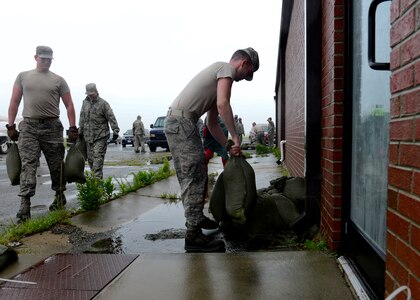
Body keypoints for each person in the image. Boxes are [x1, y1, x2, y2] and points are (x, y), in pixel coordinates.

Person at [164, 47, 259, 252]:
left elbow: (212, 122)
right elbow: (224, 104)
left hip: (182, 122)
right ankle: (193, 236)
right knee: (194, 177)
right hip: (182, 123)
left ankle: (196, 219)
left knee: (195, 174)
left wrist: (227, 145)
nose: (244, 78)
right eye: (248, 74)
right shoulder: (226, 70)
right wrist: (235, 136)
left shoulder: (218, 75)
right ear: (244, 64)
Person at [6, 45, 78, 222]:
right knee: (28, 165)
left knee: (56, 165)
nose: (46, 61)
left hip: (52, 127)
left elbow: (69, 104)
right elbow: (14, 101)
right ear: (35, 57)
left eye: (49, 59)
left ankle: (59, 196)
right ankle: (24, 206)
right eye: (43, 58)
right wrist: (10, 126)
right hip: (29, 127)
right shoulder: (23, 77)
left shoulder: (59, 80)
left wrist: (73, 128)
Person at [79, 83, 119, 179]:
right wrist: (80, 130)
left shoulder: (103, 104)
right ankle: (95, 185)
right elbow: (82, 117)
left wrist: (115, 130)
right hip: (88, 138)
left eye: (92, 94)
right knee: (91, 162)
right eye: (89, 94)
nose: (90, 96)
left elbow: (111, 117)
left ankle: (97, 188)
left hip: (100, 136)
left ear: (97, 92)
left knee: (97, 162)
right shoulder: (85, 103)